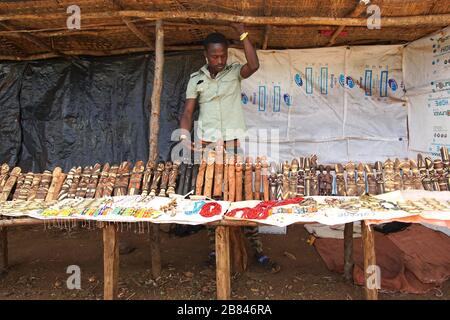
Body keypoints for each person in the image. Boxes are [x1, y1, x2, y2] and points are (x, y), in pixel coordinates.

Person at [178, 23, 280, 273]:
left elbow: (254, 65)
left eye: (223, 55)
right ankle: (215, 251)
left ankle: (257, 251)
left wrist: (243, 33)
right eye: (215, 56)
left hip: (232, 148)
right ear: (206, 56)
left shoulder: (235, 72)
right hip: (207, 148)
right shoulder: (196, 80)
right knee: (211, 197)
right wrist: (183, 136)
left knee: (243, 196)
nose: (220, 60)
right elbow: (188, 112)